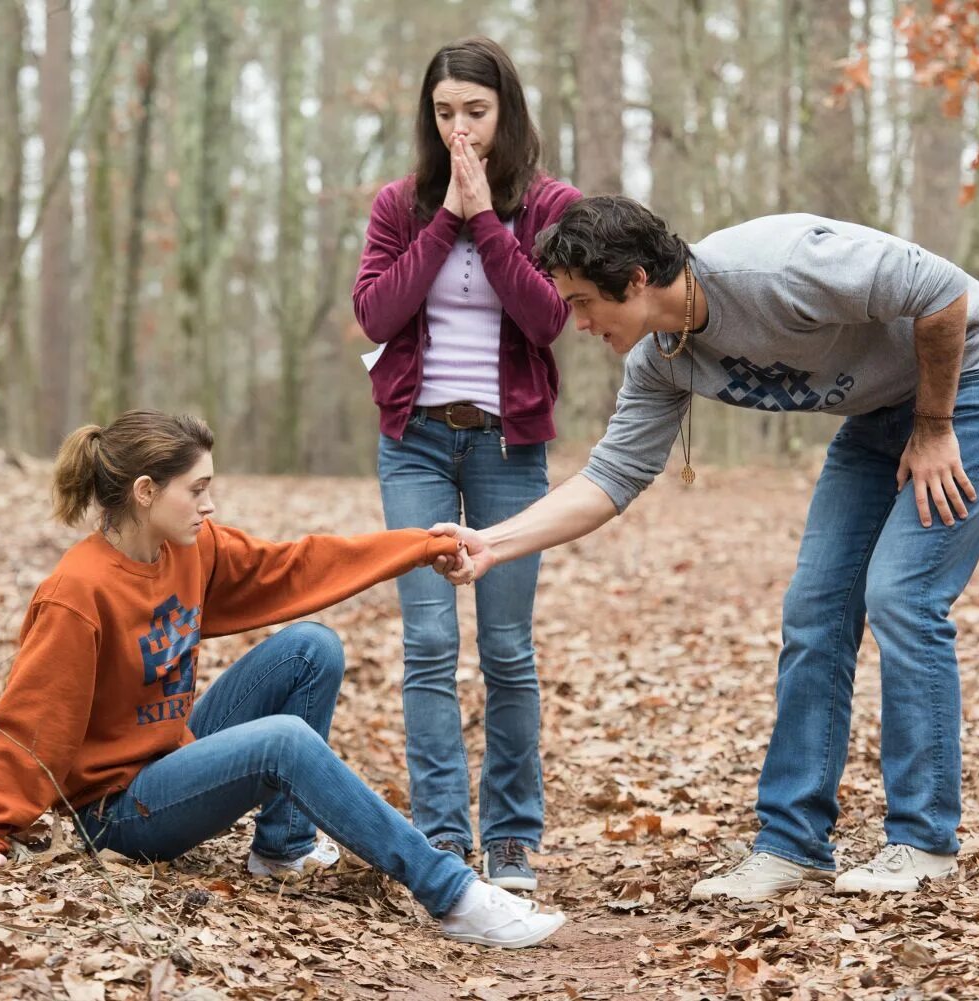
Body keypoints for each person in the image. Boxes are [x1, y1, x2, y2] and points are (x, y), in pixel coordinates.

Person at [433, 195, 979, 904]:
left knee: (902, 594)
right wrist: (492, 543)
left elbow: (942, 291)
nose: (578, 323)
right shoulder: (661, 359)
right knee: (815, 609)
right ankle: (793, 844)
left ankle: (925, 840)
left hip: (977, 385)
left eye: (581, 302)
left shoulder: (776, 267)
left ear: (634, 280)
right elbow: (611, 477)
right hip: (881, 416)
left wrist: (935, 424)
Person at [0, 410, 565, 950]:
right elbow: (31, 716)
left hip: (169, 757)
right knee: (283, 741)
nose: (210, 504)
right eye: (198, 488)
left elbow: (293, 567)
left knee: (310, 648)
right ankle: (454, 896)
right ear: (145, 492)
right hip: (117, 813)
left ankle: (282, 846)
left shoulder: (190, 547)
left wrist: (414, 546)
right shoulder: (78, 592)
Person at [352, 36, 581, 891]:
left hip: (508, 445)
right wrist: (445, 214)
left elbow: (549, 317)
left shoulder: (553, 204)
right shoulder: (399, 204)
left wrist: (485, 219)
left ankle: (513, 837)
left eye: (475, 113)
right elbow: (376, 314)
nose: (460, 130)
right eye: (445, 113)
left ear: (505, 113)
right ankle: (442, 836)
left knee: (508, 649)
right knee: (427, 643)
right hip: (413, 441)